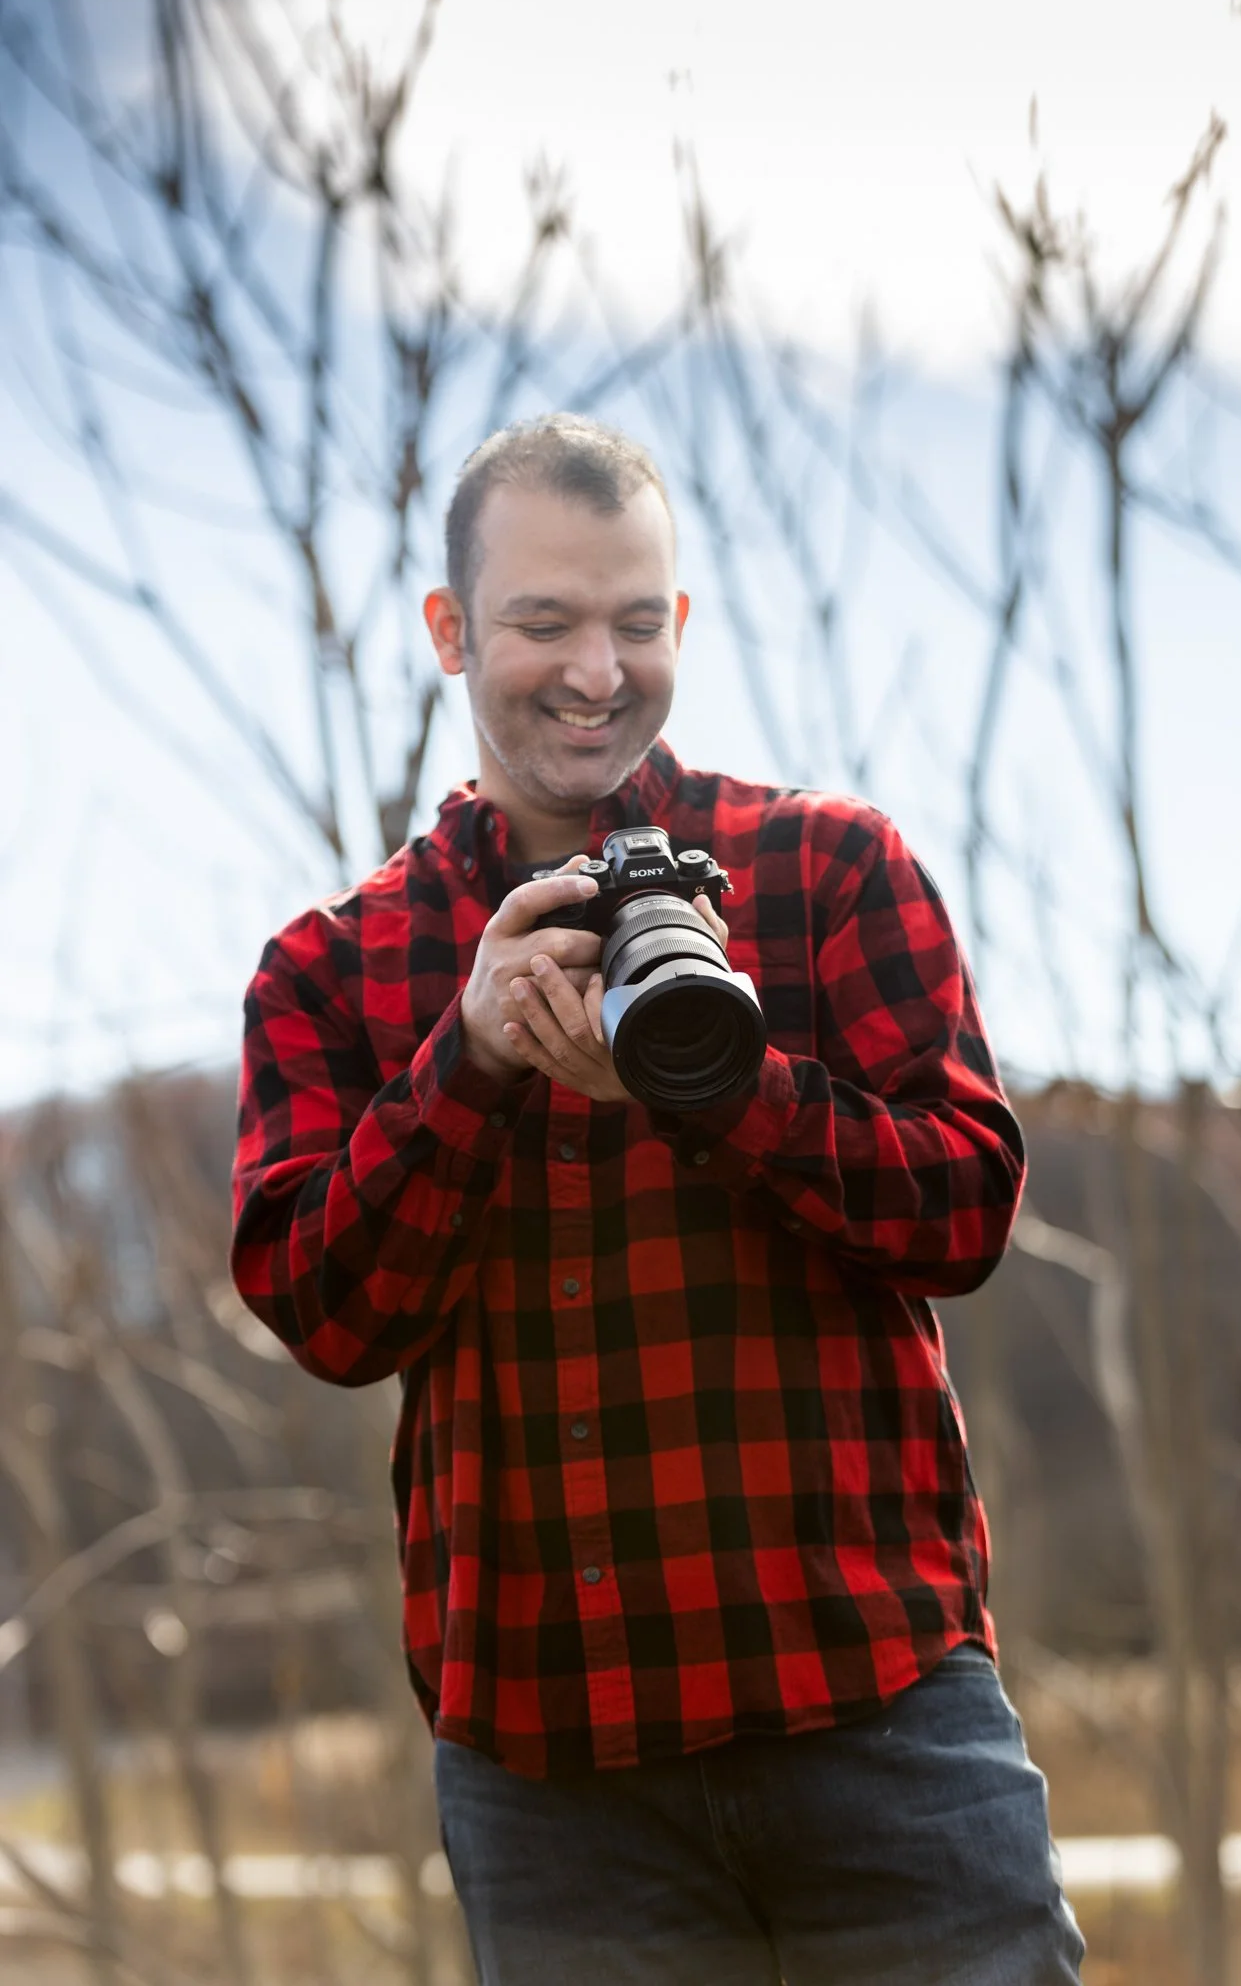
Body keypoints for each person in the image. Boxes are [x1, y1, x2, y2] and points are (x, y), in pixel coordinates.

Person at [230, 413, 1084, 1984]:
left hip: (879, 1711)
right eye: (543, 622)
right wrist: (468, 1065)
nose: (594, 670)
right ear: (450, 630)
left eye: (635, 622)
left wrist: (724, 1090)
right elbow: (324, 1315)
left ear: (679, 622)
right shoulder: (335, 969)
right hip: (555, 1772)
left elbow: (966, 1214)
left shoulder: (828, 871)